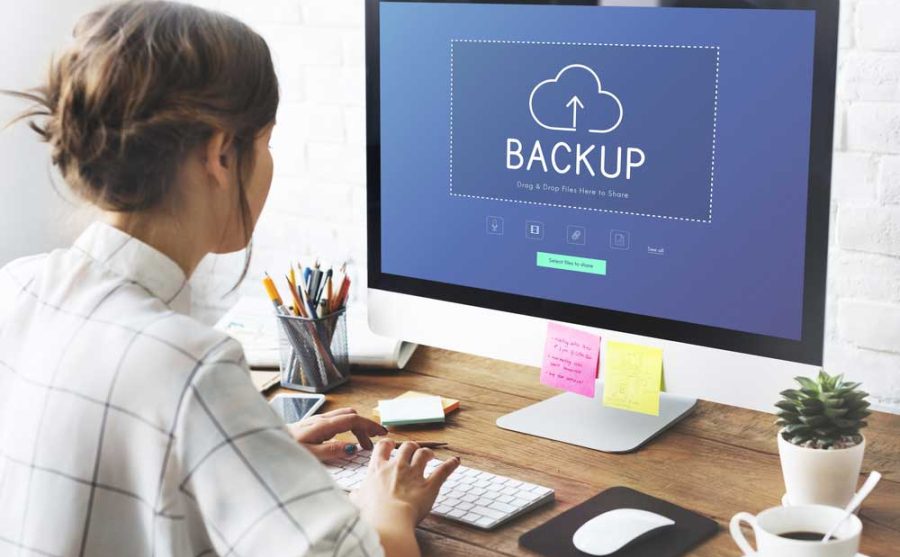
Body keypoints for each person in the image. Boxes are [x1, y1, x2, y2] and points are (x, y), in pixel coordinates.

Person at [0, 2, 459, 556]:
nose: (268, 164)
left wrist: (252, 450)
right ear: (220, 154)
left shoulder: (16, 288)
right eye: (265, 142)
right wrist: (390, 508)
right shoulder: (189, 365)